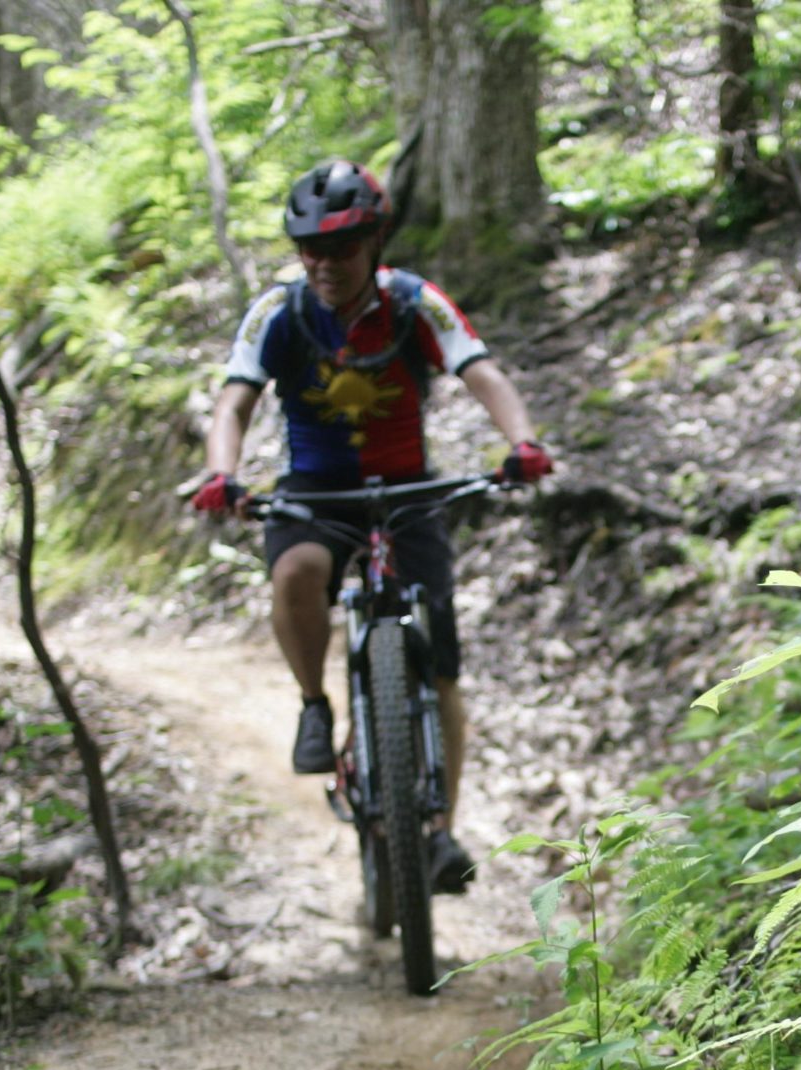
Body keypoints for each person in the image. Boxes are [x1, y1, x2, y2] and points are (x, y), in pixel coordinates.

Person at [191, 159, 552, 895]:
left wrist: (523, 443)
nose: (324, 265)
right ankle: (315, 708)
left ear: (375, 242)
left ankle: (440, 830)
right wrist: (221, 472)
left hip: (410, 488)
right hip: (317, 489)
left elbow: (481, 371)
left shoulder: (415, 302)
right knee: (296, 572)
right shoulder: (278, 312)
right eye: (310, 251)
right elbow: (233, 404)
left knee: (441, 665)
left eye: (342, 249)